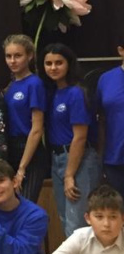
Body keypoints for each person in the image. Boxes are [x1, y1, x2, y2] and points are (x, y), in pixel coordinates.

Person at [43, 43, 101, 240]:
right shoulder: (52, 93)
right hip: (57, 158)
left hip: (79, 160)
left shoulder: (76, 93)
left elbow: (80, 137)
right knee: (66, 222)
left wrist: (69, 175)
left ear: (69, 64)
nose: (53, 67)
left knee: (78, 226)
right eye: (48, 63)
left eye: (59, 63)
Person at [3, 34, 48, 202]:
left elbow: (37, 129)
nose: (12, 61)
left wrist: (22, 168)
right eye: (8, 56)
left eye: (18, 55)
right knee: (11, 204)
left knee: (26, 204)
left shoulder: (34, 84)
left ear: (29, 56)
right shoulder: (11, 86)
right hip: (11, 148)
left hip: (30, 151)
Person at [96, 36, 124, 197]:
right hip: (114, 158)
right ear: (121, 51)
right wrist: (100, 155)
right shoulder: (106, 79)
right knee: (116, 208)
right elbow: (101, 119)